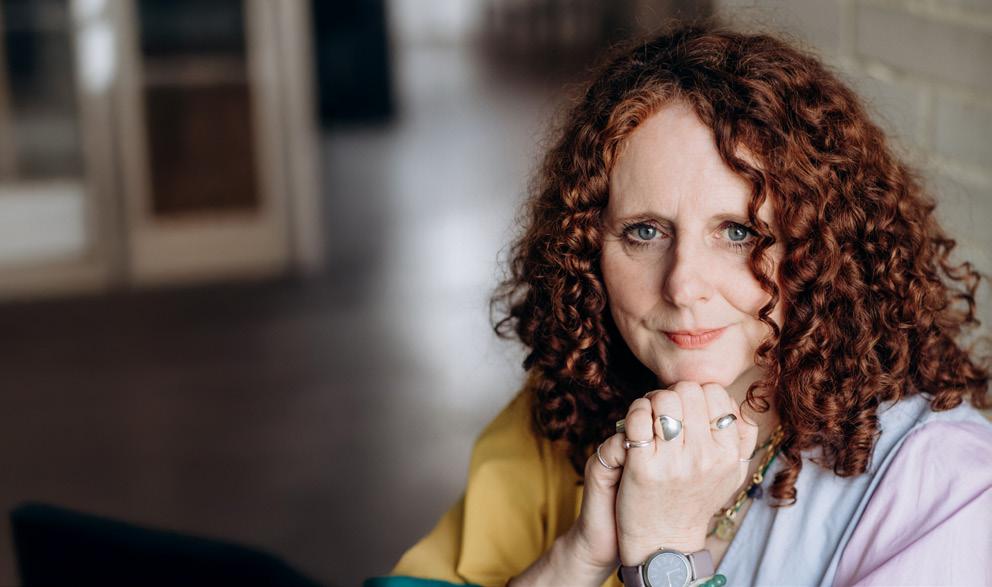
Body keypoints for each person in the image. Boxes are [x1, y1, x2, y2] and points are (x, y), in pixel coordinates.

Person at [366, 22, 992, 587]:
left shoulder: (944, 488)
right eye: (644, 231)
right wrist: (578, 557)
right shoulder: (564, 406)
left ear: (823, 248)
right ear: (587, 248)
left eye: (739, 232)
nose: (683, 286)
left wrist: (663, 556)